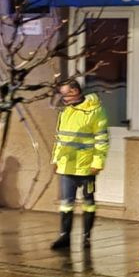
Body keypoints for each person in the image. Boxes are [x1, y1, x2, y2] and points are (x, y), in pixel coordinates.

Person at [49, 80, 108, 250]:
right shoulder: (66, 111)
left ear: (75, 91)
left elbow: (101, 139)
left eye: (65, 93)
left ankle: (86, 236)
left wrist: (98, 163)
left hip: (87, 167)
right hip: (67, 165)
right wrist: (56, 159)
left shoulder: (96, 111)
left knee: (88, 202)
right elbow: (60, 137)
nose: (63, 98)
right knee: (66, 202)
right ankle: (64, 236)